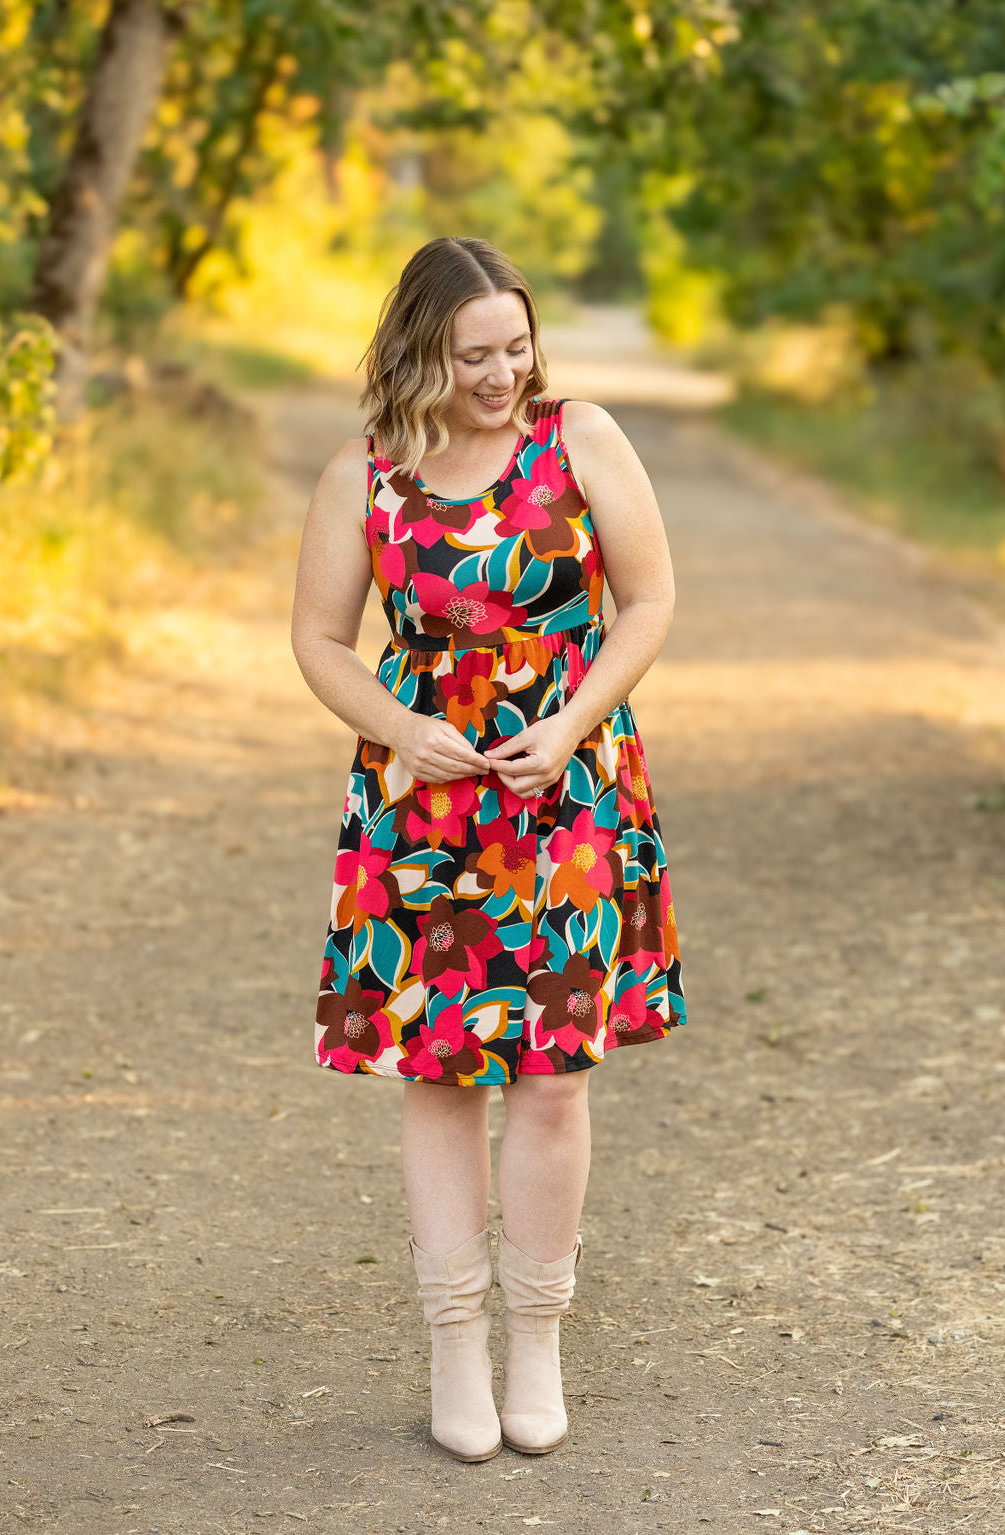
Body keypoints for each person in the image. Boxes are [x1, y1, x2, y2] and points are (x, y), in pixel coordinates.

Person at [290, 235, 686, 1463]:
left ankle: (536, 1336)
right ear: (423, 349)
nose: (501, 371)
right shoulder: (367, 471)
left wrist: (568, 725)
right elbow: (318, 638)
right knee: (442, 1075)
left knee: (556, 1078)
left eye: (516, 346)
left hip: (567, 798)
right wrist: (404, 726)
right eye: (474, 354)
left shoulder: (582, 440)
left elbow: (652, 599)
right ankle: (453, 1337)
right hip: (424, 814)